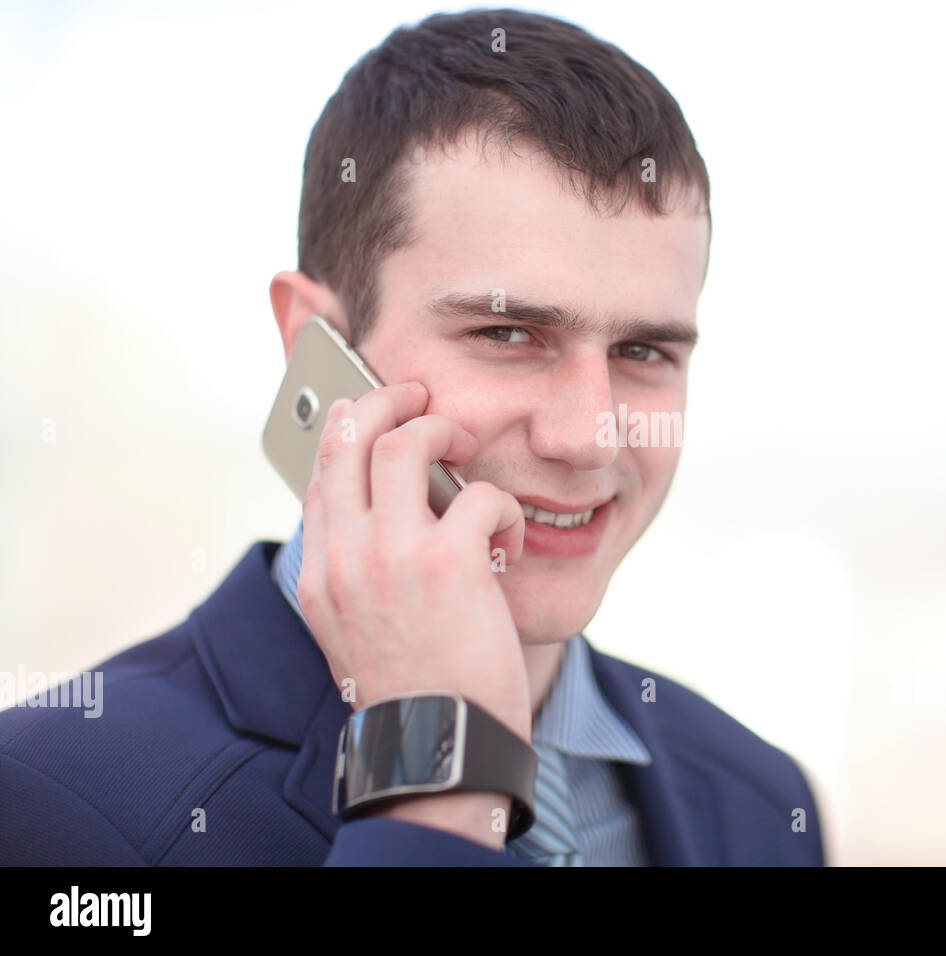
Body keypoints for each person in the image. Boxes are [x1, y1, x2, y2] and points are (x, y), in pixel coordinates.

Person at [0, 8, 825, 866]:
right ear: (312, 344)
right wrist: (441, 784)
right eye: (507, 335)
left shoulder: (763, 804)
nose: (589, 436)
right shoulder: (56, 805)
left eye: (644, 350)